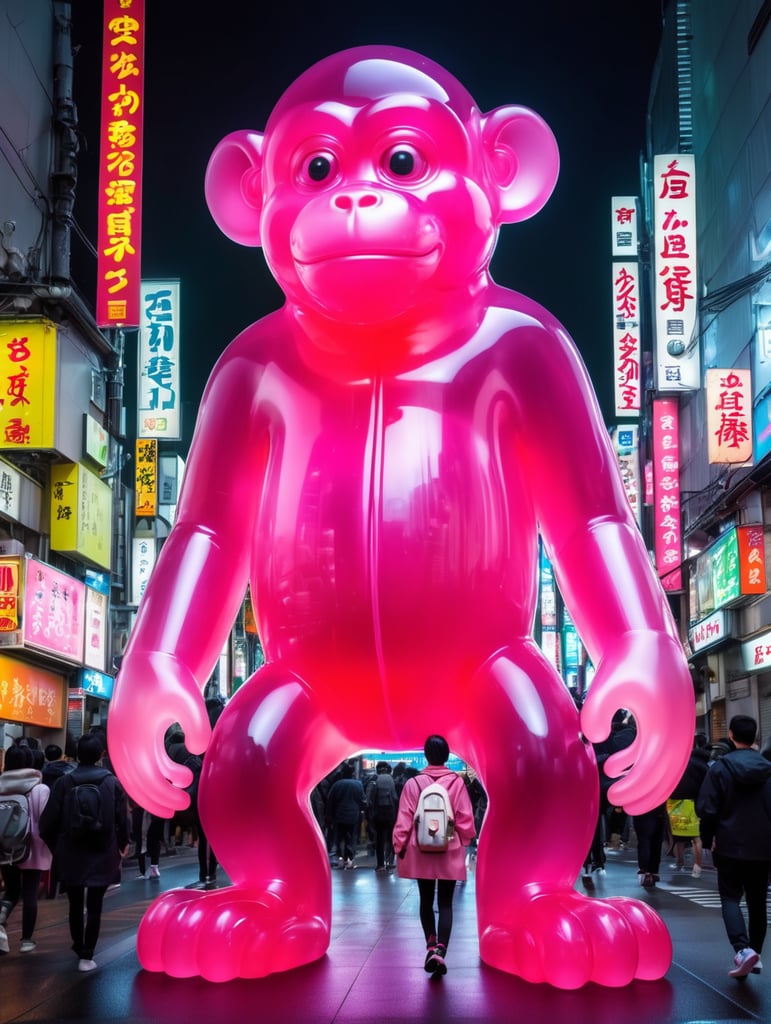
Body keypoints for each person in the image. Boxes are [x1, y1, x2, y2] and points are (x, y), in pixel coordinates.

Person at [39, 732, 130, 972]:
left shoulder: (63, 783)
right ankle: (87, 954)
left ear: (77, 754)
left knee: (75, 902)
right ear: (102, 754)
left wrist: (57, 847)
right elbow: (123, 819)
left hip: (71, 852)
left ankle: (78, 945)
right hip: (103, 851)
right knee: (96, 904)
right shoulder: (112, 783)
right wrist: (122, 844)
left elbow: (47, 823)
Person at [392, 735, 476, 976]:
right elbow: (465, 819)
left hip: (421, 850)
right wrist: (466, 839)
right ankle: (441, 951)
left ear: (426, 755)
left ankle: (430, 946)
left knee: (426, 900)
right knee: (446, 903)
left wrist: (399, 845)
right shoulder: (456, 783)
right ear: (447, 756)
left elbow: (405, 818)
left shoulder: (413, 784)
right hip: (449, 850)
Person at [696, 714, 771, 979]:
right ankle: (756, 952)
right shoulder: (768, 768)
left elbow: (707, 809)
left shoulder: (720, 768)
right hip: (763, 847)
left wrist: (708, 838)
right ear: (755, 737)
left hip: (728, 845)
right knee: (758, 902)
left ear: (730, 735)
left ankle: (742, 949)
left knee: (730, 898)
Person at [0, 743, 52, 954]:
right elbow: (44, 820)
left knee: (11, 890)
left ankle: (1, 921)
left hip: (5, 846)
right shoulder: (39, 789)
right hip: (33, 847)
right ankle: (27, 940)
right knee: (30, 893)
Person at [667, 732, 710, 877]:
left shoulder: (679, 762)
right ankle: (697, 867)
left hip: (675, 802)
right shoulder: (702, 764)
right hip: (694, 803)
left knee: (678, 836)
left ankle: (679, 862)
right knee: (695, 837)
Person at [326, 762, 366, 868]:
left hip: (339, 816)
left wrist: (329, 815)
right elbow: (363, 800)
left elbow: (330, 800)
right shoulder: (358, 784)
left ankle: (341, 857)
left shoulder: (337, 784)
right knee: (352, 837)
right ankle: (350, 859)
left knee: (339, 837)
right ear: (352, 774)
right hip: (354, 816)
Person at [366, 761, 398, 872]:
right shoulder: (391, 780)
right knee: (390, 837)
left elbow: (368, 800)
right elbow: (394, 797)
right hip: (390, 812)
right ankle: (390, 861)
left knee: (379, 839)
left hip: (377, 813)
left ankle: (380, 864)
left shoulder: (373, 780)